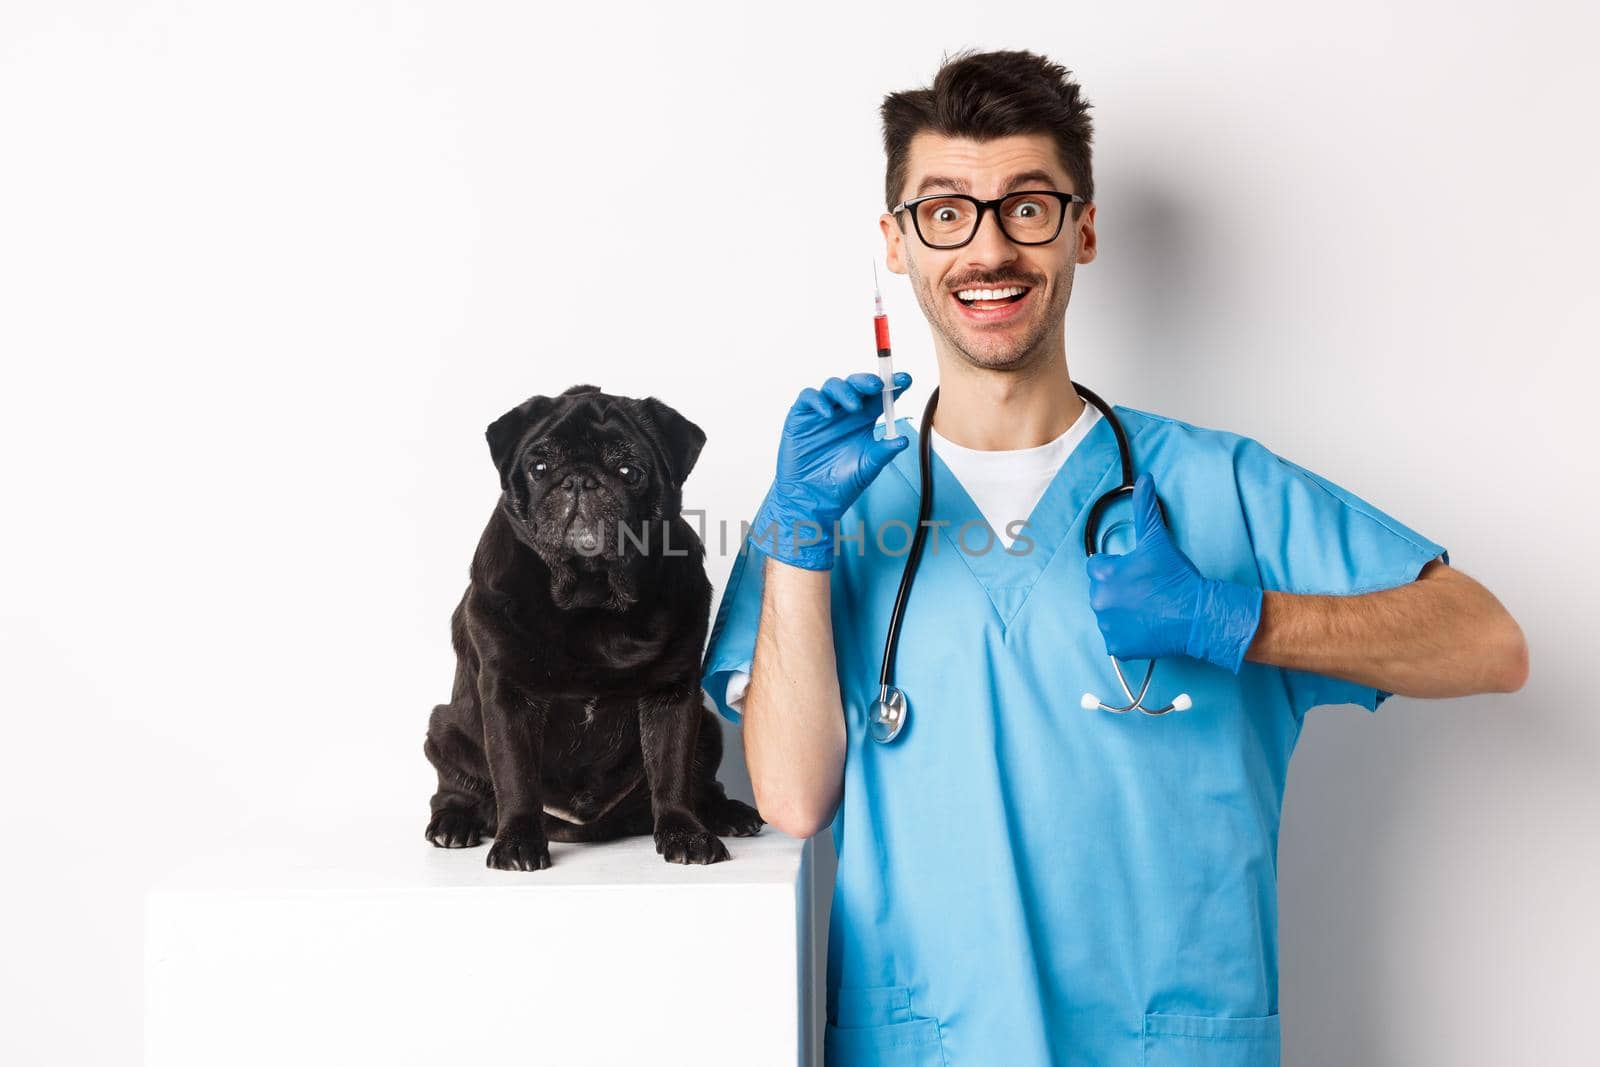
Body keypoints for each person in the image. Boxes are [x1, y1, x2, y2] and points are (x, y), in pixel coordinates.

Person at [699, 49, 1528, 1067]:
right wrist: (795, 538)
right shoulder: (830, 507)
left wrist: (1234, 617)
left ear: (1082, 229)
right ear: (897, 244)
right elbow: (791, 796)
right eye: (946, 211)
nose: (989, 248)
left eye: (1028, 207)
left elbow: (1488, 642)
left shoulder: (1222, 487)